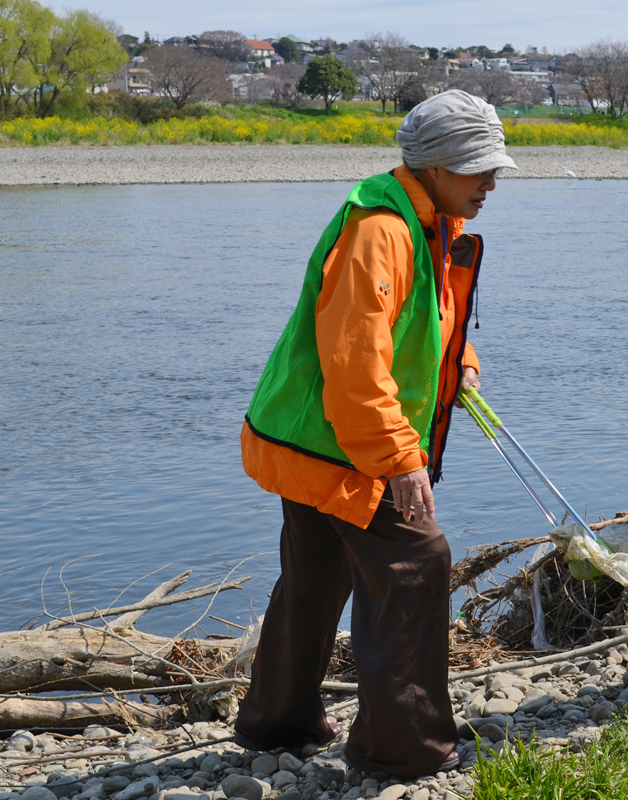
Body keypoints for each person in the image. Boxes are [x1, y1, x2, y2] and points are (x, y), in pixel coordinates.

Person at [234, 89, 516, 776]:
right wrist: (399, 459)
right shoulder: (380, 231)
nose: (490, 183)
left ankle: (278, 727)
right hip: (338, 443)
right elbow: (355, 361)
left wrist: (462, 369)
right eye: (477, 169)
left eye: (494, 169)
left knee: (314, 578)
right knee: (418, 563)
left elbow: (427, 321)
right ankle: (403, 750)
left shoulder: (425, 219)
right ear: (435, 167)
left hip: (311, 434)